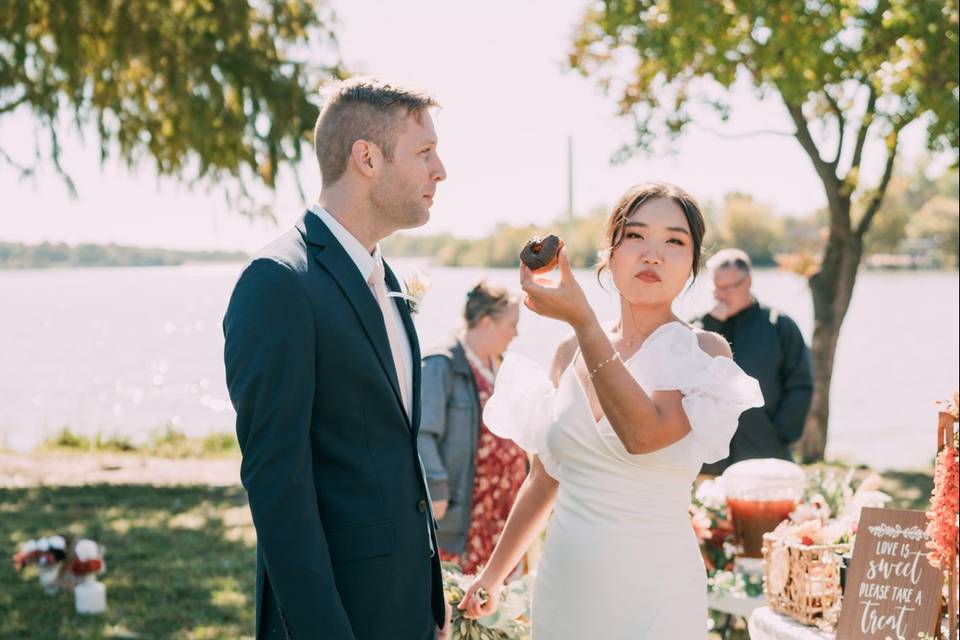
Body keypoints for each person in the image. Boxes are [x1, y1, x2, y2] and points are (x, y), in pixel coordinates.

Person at [458, 182, 764, 639]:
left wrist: (582, 321)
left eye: (675, 242)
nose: (653, 254)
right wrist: (493, 575)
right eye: (636, 236)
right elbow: (544, 479)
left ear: (692, 266)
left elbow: (643, 437)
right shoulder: (566, 353)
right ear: (610, 253)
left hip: (655, 593)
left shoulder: (702, 352)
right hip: (565, 587)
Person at [223, 77, 448, 640]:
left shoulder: (383, 275)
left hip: (404, 610)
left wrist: (429, 602)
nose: (440, 171)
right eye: (425, 153)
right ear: (366, 158)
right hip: (338, 618)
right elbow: (277, 486)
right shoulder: (279, 282)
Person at [419, 282, 525, 575]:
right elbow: (423, 432)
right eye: (512, 325)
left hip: (502, 507)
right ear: (488, 322)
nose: (516, 334)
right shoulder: (442, 363)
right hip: (466, 509)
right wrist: (437, 488)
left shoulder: (501, 365)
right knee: (462, 601)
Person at [694, 249, 814, 475]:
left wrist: (781, 432)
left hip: (764, 449)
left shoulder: (779, 325)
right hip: (708, 459)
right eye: (716, 288)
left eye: (728, 288)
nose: (721, 295)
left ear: (747, 282)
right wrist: (711, 325)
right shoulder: (698, 328)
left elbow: (800, 383)